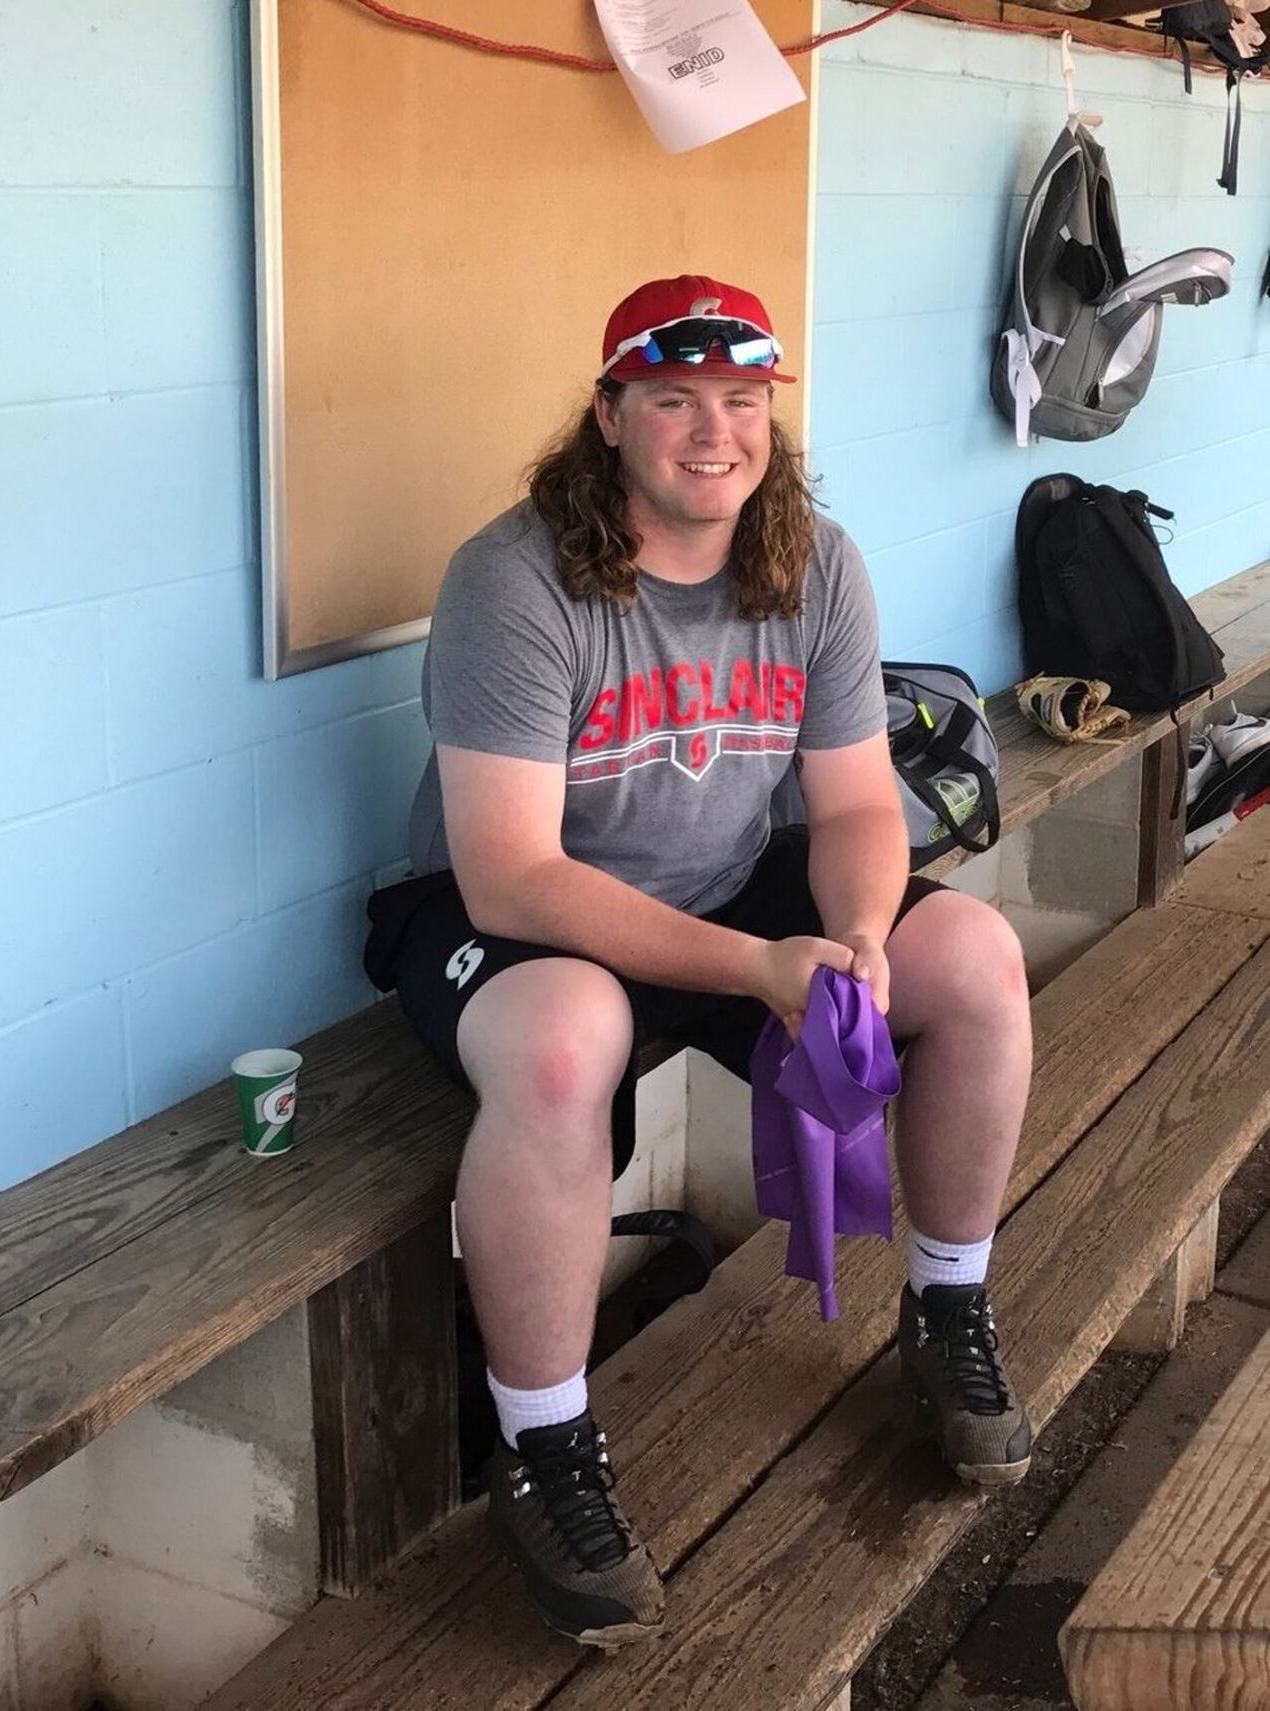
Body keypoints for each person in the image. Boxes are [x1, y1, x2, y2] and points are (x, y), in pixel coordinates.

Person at [362, 274, 1034, 1649]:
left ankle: (947, 1308)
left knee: (966, 951)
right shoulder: (514, 575)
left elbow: (853, 809)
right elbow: (514, 874)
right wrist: (758, 966)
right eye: (674, 400)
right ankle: (542, 1447)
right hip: (510, 913)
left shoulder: (813, 560)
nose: (713, 432)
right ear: (609, 415)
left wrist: (850, 934)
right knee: (562, 1042)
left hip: (727, 882)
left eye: (743, 402)